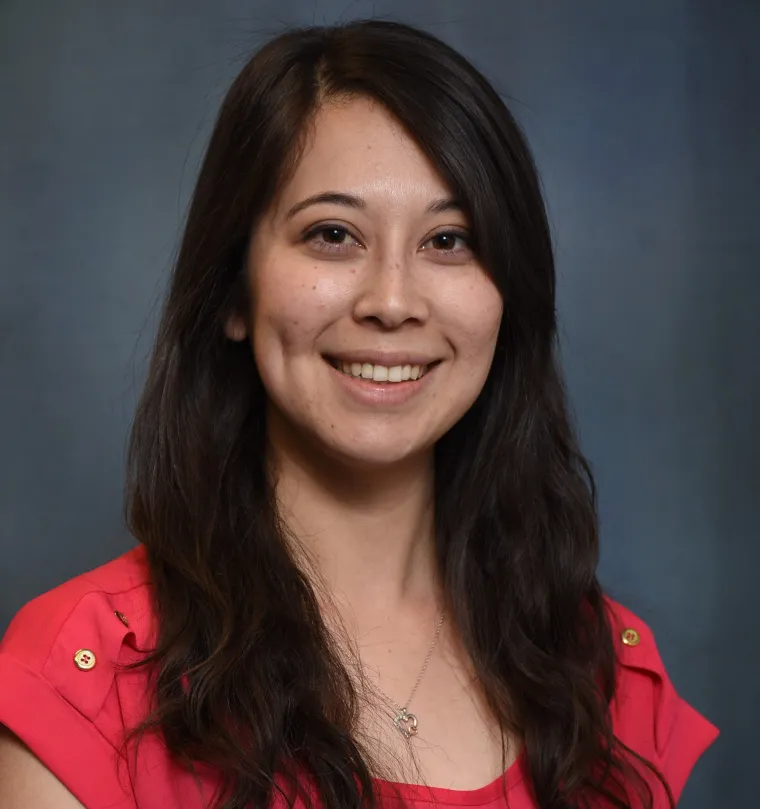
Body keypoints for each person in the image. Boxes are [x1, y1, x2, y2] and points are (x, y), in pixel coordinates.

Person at [0, 18, 718, 809]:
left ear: (508, 296)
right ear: (235, 288)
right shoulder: (86, 675)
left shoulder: (601, 671)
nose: (392, 301)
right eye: (333, 234)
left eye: (450, 240)